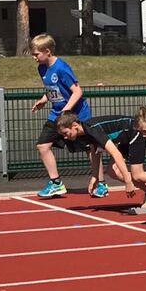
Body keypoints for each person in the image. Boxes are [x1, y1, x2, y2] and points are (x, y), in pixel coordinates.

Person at [30, 33, 92, 198]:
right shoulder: (41, 68)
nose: (34, 58)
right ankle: (56, 183)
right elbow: (53, 89)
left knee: (90, 148)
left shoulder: (62, 68)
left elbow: (77, 91)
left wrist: (66, 110)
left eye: (36, 54)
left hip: (77, 115)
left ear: (47, 51)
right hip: (56, 114)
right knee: (43, 146)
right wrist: (44, 100)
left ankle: (100, 182)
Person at [55, 112, 138, 198]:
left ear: (75, 125)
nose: (65, 137)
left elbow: (116, 154)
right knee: (112, 171)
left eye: (65, 133)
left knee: (138, 174)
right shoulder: (83, 134)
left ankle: (145, 187)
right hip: (125, 137)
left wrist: (128, 182)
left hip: (135, 128)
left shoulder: (92, 129)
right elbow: (95, 152)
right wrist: (95, 177)